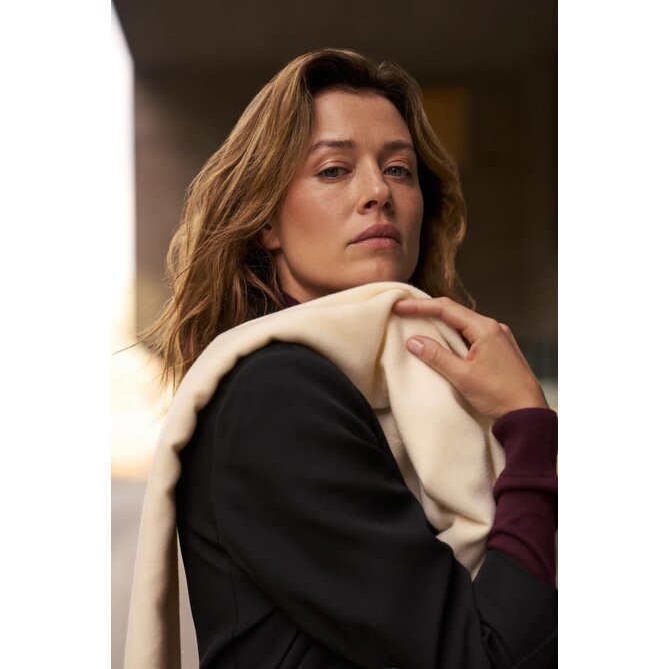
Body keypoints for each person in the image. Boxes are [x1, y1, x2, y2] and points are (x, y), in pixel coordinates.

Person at [139, 48, 557, 668]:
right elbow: (483, 657)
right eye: (334, 169)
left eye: (399, 170)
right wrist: (529, 426)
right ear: (267, 222)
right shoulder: (277, 394)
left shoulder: (391, 392)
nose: (378, 192)